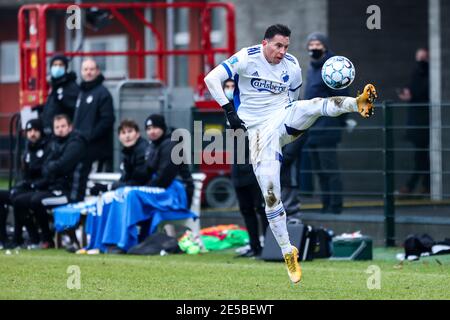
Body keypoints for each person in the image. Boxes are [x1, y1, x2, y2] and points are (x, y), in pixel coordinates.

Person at [204, 24, 377, 283]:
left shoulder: (292, 66)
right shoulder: (246, 57)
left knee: (314, 105)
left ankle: (357, 103)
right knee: (271, 195)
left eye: (286, 46)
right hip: (260, 134)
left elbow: (293, 96)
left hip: (284, 119)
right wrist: (230, 111)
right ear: (265, 43)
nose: (282, 51)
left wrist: (291, 120)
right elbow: (211, 79)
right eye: (277, 46)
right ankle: (288, 252)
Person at [14, 114, 87, 248]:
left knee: (36, 201)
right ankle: (35, 239)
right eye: (57, 127)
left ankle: (47, 240)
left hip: (70, 194)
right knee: (19, 201)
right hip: (54, 189)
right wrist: (52, 167)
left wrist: (52, 167)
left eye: (63, 126)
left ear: (70, 127)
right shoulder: (54, 143)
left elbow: (62, 166)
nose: (60, 129)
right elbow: (46, 167)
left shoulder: (76, 143)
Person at [304, 32, 349, 214]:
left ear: (325, 46)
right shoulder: (311, 68)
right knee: (320, 172)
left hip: (327, 127)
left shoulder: (333, 67)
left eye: (318, 44)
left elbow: (341, 97)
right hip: (312, 128)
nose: (314, 48)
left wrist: (338, 121)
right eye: (311, 44)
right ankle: (326, 204)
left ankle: (335, 206)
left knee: (330, 169)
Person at [224, 79, 268, 258]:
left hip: (253, 163)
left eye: (232, 86)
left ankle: (268, 245)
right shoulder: (228, 110)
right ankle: (254, 246)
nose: (229, 90)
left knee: (261, 207)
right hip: (238, 164)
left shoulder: (250, 107)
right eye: (226, 87)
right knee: (245, 208)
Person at [73, 58, 115, 198]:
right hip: (81, 147)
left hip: (98, 149)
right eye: (85, 69)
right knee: (80, 181)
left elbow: (107, 120)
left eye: (91, 69)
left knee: (97, 183)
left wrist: (89, 136)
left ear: (97, 71)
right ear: (81, 72)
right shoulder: (81, 93)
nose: (88, 72)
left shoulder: (102, 93)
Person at [398, 48, 430, 196]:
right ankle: (425, 186)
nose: (421, 62)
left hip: (425, 122)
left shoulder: (429, 75)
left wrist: (412, 95)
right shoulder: (416, 74)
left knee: (421, 156)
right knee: (421, 156)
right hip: (416, 122)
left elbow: (423, 92)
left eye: (423, 58)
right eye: (419, 58)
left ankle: (413, 186)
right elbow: (411, 88)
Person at [41, 54, 80, 136]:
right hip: (52, 131)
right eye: (55, 65)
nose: (57, 68)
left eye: (60, 65)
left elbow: (73, 108)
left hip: (64, 132)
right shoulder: (54, 85)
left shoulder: (71, 86)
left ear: (65, 68)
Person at [112, 119, 150, 190]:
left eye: (130, 131)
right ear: (119, 137)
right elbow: (125, 178)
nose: (127, 136)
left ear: (138, 134)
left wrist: (110, 187)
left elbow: (138, 182)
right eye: (123, 133)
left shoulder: (143, 150)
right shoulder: (128, 151)